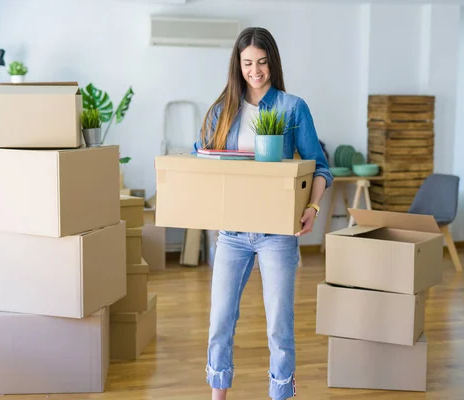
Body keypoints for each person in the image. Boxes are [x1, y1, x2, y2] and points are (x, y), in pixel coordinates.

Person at [193, 27, 333, 400]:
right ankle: (218, 395)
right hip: (232, 234)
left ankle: (281, 393)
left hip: (277, 235)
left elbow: (319, 167)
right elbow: (201, 161)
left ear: (272, 62)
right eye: (247, 63)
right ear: (237, 66)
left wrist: (313, 208)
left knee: (279, 327)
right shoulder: (222, 111)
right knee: (220, 321)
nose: (255, 70)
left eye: (262, 62)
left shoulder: (292, 108)